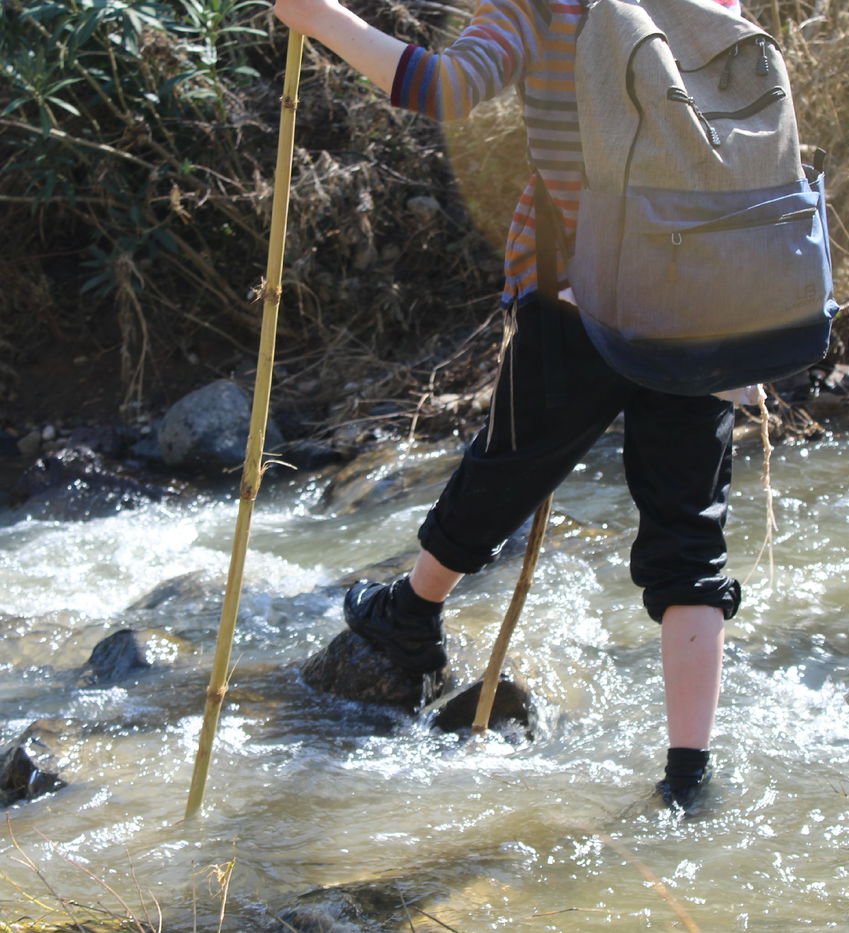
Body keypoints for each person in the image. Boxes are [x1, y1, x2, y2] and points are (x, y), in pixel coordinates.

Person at [272, 0, 750, 810]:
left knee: (509, 462)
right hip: (706, 295)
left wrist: (318, 17)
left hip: (579, 289)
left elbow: (444, 88)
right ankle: (687, 776)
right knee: (690, 543)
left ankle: (411, 612)